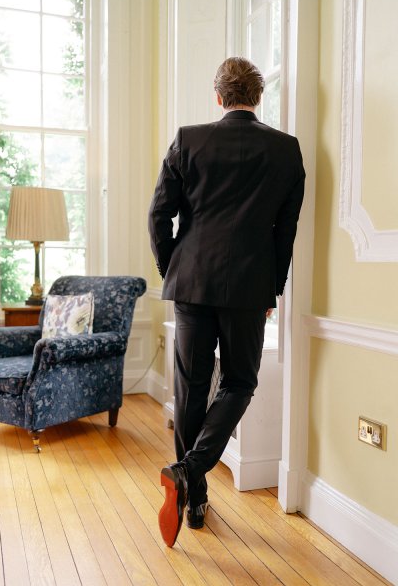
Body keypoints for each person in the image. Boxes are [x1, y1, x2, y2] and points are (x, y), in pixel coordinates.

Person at [148, 57, 305, 548]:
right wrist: (271, 288)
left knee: (192, 387)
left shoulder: (188, 139)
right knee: (239, 382)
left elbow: (159, 216)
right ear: (257, 97)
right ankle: (189, 476)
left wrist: (173, 269)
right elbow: (286, 230)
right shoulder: (285, 149)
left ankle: (192, 489)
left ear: (218, 97)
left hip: (191, 284)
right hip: (247, 288)